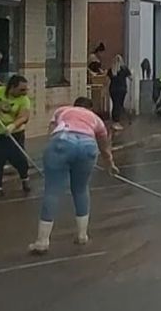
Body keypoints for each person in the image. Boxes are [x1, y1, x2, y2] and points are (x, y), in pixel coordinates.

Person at [27, 97, 117, 254]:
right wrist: (110, 164)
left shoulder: (62, 110)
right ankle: (82, 235)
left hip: (62, 141)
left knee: (52, 191)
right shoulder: (96, 119)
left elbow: (51, 132)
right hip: (88, 146)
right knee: (81, 189)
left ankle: (42, 241)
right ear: (90, 109)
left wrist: (50, 158)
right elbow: (104, 145)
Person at [0, 75, 32, 197]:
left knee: (18, 158)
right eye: (21, 89)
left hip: (14, 133)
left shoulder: (24, 100)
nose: (24, 92)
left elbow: (24, 116)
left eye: (26, 89)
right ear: (12, 87)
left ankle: (25, 178)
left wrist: (13, 126)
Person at [107, 54, 132, 131]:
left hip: (113, 89)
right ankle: (117, 121)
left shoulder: (111, 70)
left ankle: (116, 120)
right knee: (119, 104)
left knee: (115, 104)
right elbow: (131, 78)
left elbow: (107, 80)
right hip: (122, 89)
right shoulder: (124, 69)